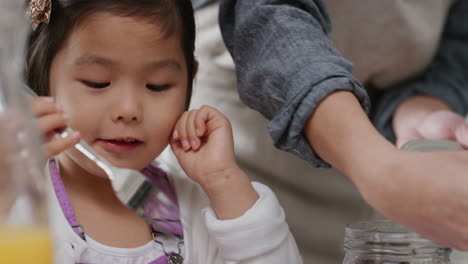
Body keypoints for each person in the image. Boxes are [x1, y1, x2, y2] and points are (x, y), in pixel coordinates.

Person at [183, 0, 468, 263]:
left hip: (363, 157)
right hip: (243, 138)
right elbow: (269, 17)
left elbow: (460, 31)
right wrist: (380, 169)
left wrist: (422, 105)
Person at [24, 0, 302, 263]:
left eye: (157, 85)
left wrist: (224, 181)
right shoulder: (18, 197)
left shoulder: (201, 207)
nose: (129, 109)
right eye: (97, 83)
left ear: (189, 81)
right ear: (38, 77)